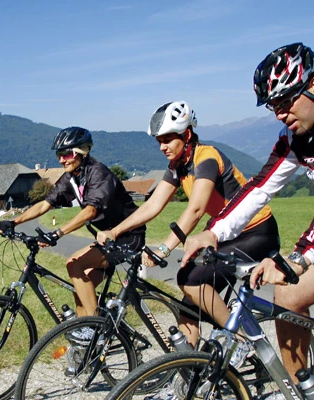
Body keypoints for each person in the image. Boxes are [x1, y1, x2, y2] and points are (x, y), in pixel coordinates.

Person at [182, 42, 314, 381]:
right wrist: (214, 231)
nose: (279, 114)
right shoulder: (295, 135)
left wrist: (300, 256)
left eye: (285, 102)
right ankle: (300, 390)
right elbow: (260, 187)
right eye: (273, 106)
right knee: (288, 295)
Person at [97, 101, 280, 364]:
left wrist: (164, 248)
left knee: (190, 280)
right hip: (224, 235)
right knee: (189, 307)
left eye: (168, 139)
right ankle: (184, 369)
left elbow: (196, 209)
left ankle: (241, 341)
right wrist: (115, 231)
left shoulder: (206, 157)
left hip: (256, 232)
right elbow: (152, 205)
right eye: (159, 141)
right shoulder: (178, 166)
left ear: (187, 135)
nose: (162, 147)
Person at [0, 126, 146, 341]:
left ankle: (98, 329)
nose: (61, 160)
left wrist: (57, 233)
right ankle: (85, 340)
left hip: (127, 236)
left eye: (66, 154)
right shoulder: (72, 177)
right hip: (108, 239)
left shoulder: (98, 173)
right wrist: (14, 222)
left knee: (73, 264)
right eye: (59, 154)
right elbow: (45, 204)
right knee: (80, 286)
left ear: (82, 152)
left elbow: (90, 211)